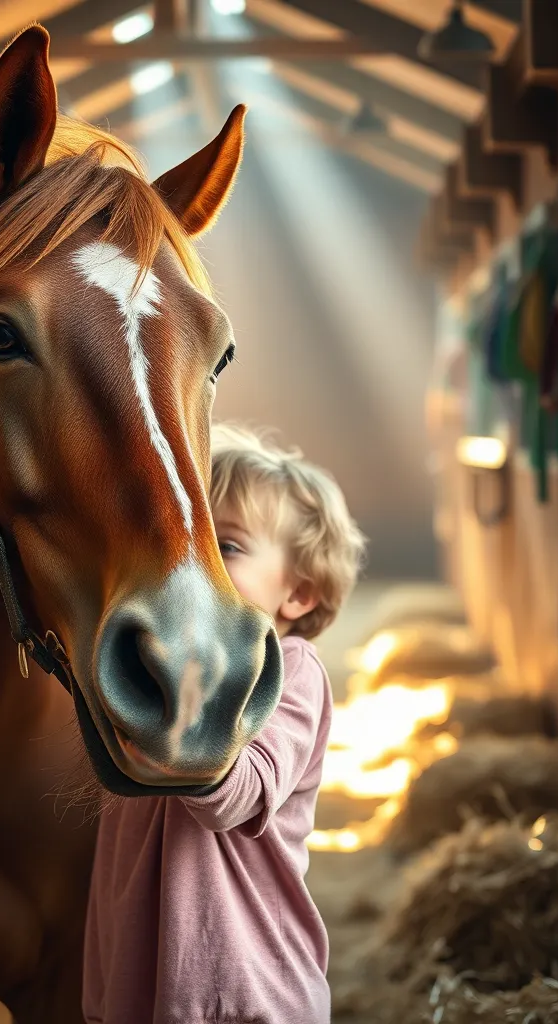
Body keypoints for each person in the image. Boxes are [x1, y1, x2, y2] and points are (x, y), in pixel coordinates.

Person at [82, 422, 367, 1024]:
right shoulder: (144, 664)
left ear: (300, 594)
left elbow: (233, 797)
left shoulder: (293, 672)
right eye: (191, 537)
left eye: (228, 546)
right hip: (137, 994)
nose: (197, 562)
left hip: (243, 995)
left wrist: (185, 704)